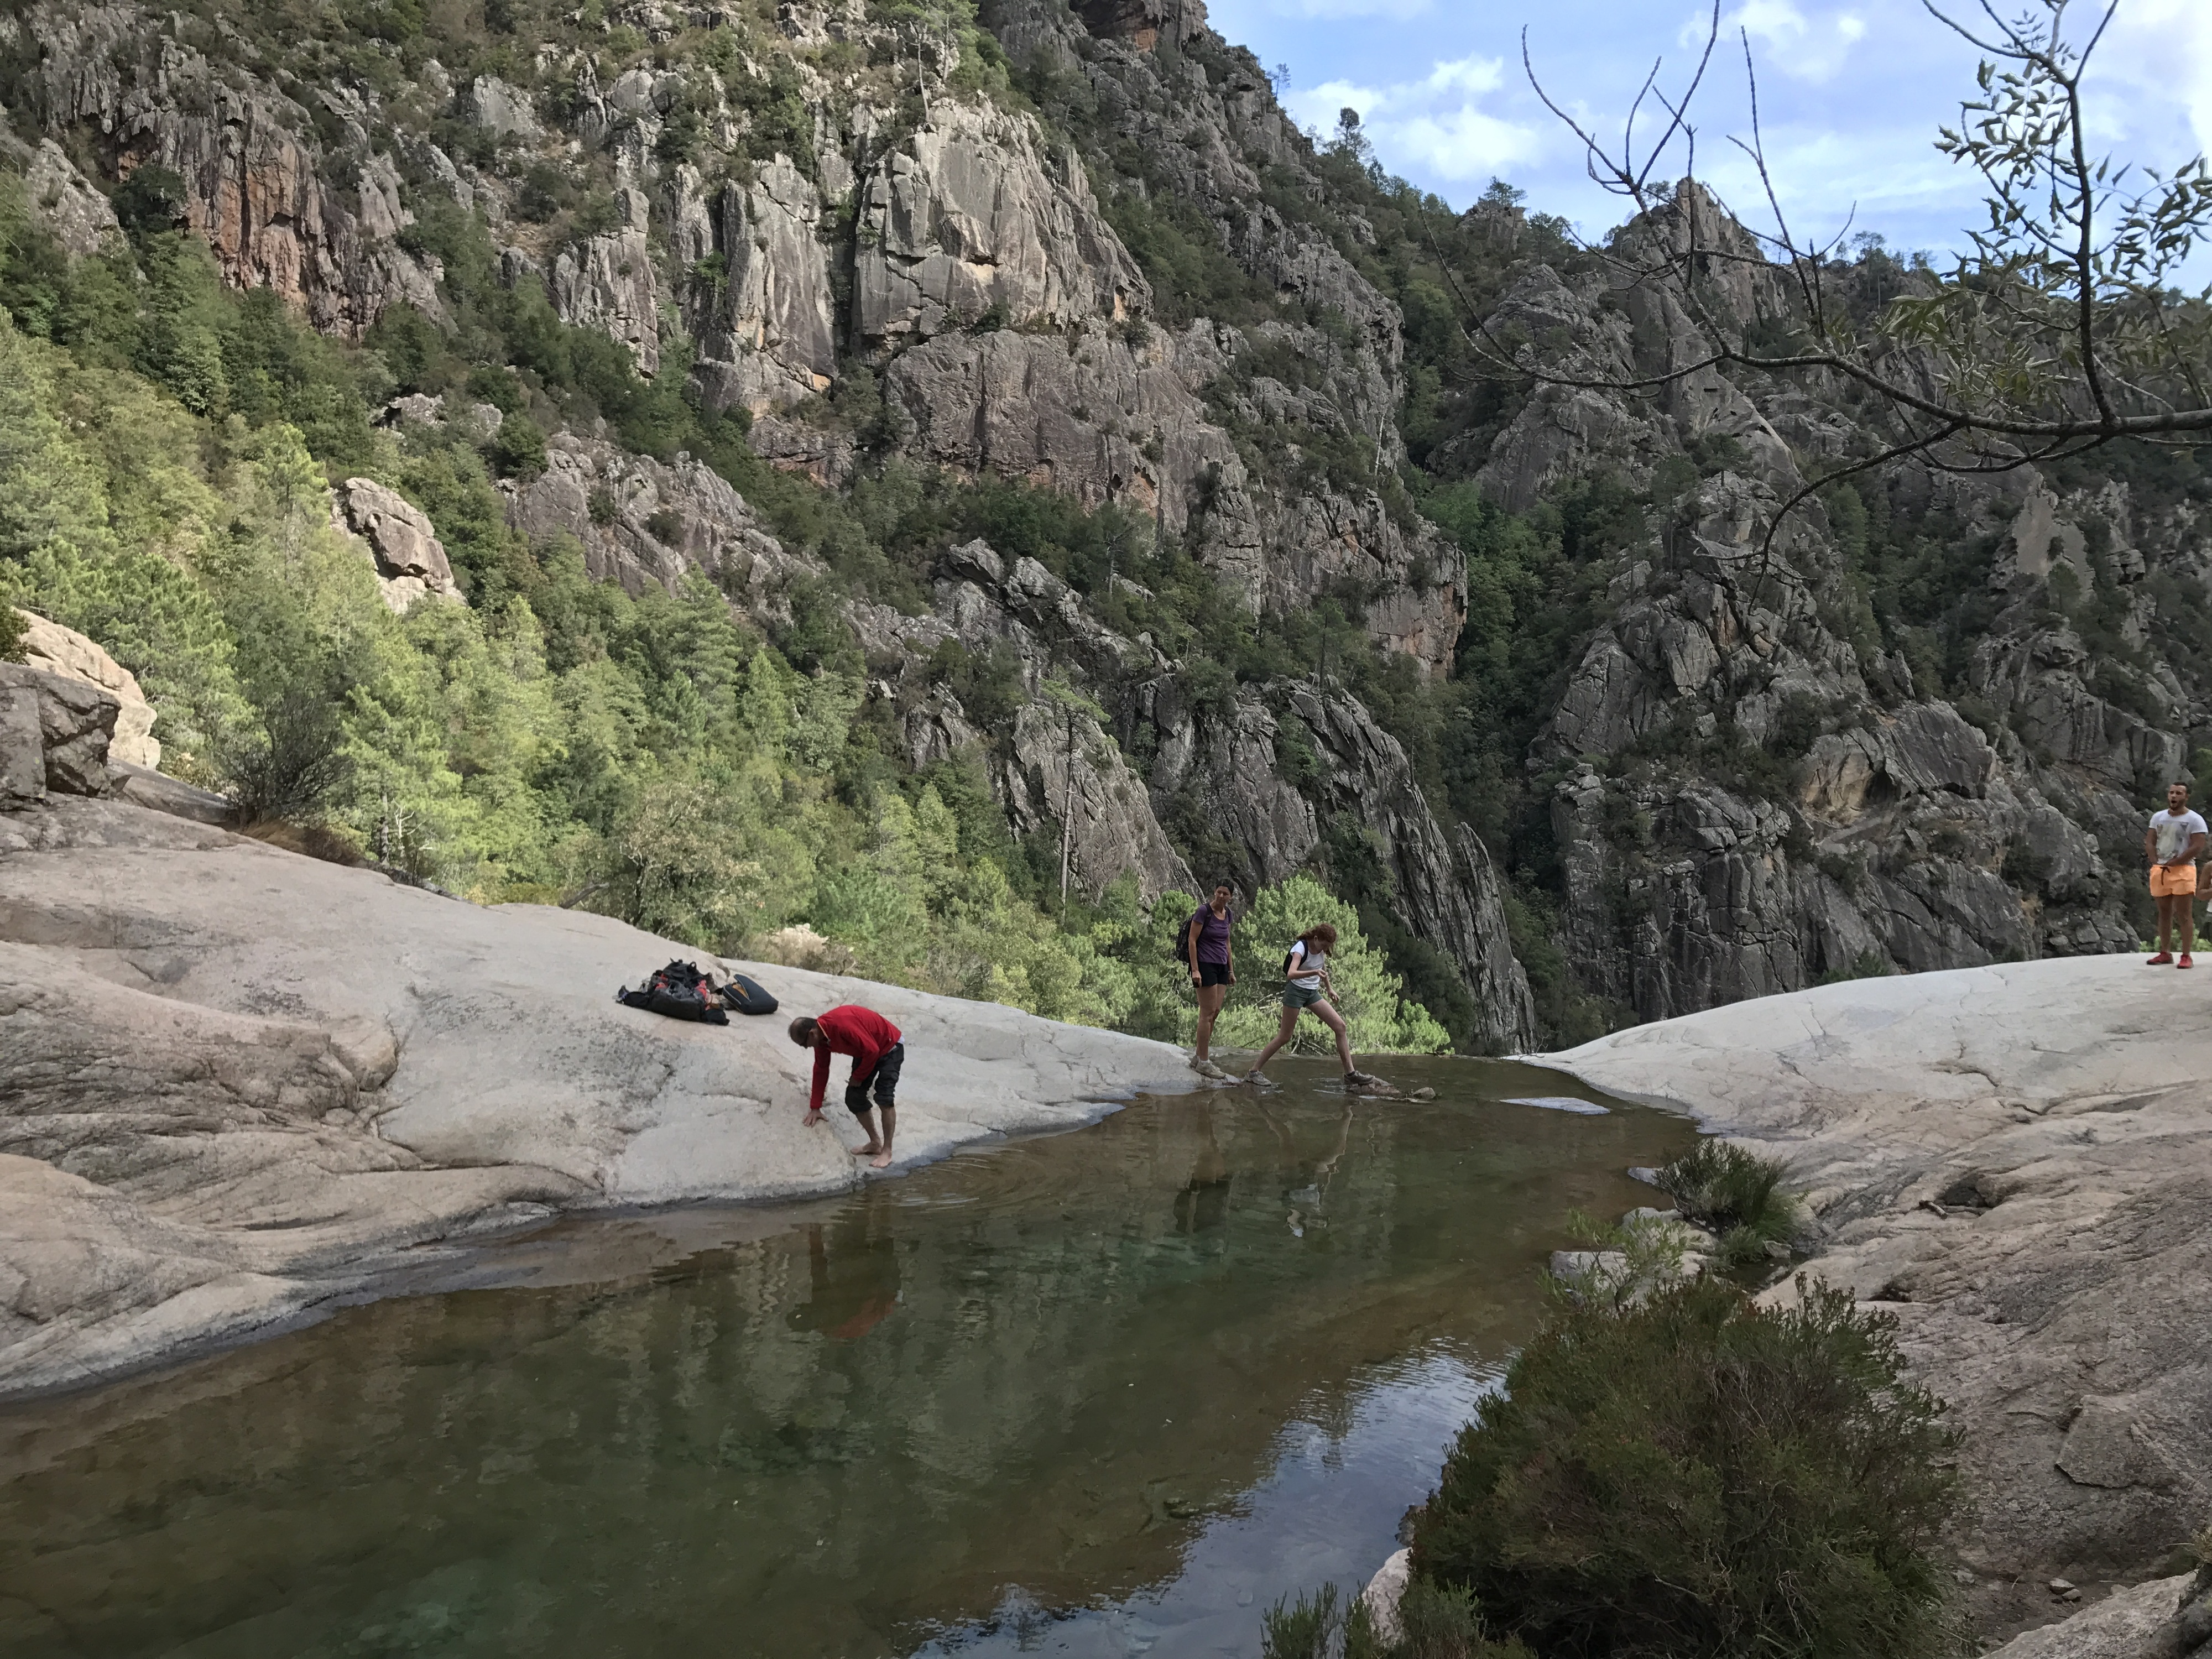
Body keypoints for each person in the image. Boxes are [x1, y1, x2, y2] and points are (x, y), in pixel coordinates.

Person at [1242, 924, 1377, 1087]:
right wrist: (1313, 973)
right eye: (1324, 945)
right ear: (1315, 939)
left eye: (1328, 946)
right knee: (1285, 1036)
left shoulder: (1321, 949)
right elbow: (1291, 974)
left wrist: (1329, 988)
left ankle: (1351, 1074)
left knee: (1340, 1027)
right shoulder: (1300, 948)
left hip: (1312, 993)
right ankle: (1254, 1072)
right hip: (1296, 992)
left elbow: (1322, 967)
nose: (1325, 949)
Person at [791, 1006, 904, 1168]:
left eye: (804, 1044)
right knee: (854, 1098)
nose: (806, 1048)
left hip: (890, 1047)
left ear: (812, 1034)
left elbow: (873, 1050)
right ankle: (875, 1143)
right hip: (865, 1051)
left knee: (884, 1098)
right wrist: (815, 1107)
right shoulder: (821, 1040)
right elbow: (821, 1068)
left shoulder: (841, 1025)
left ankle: (887, 1151)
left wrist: (858, 1077)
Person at [2146, 781, 2208, 967]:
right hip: (2161, 870)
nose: (2174, 796)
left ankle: (2186, 955)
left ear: (2186, 797)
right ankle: (2164, 953)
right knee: (2164, 913)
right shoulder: (2158, 817)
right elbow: (2150, 840)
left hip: (2184, 870)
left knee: (2184, 914)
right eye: (2172, 793)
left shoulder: (2195, 820)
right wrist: (2154, 859)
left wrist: (2177, 861)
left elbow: (2198, 845)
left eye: (2179, 793)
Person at [1185, 884, 1237, 1078]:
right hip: (1205, 964)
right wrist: (1196, 970)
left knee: (1215, 1012)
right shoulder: (1203, 912)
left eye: (1226, 893)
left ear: (1231, 896)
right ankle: (1205, 1063)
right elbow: (1192, 940)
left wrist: (1231, 970)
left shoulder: (1228, 914)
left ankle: (1199, 1057)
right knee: (1206, 1014)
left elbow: (1227, 942)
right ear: (1214, 892)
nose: (1222, 896)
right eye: (1219, 892)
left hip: (1221, 966)